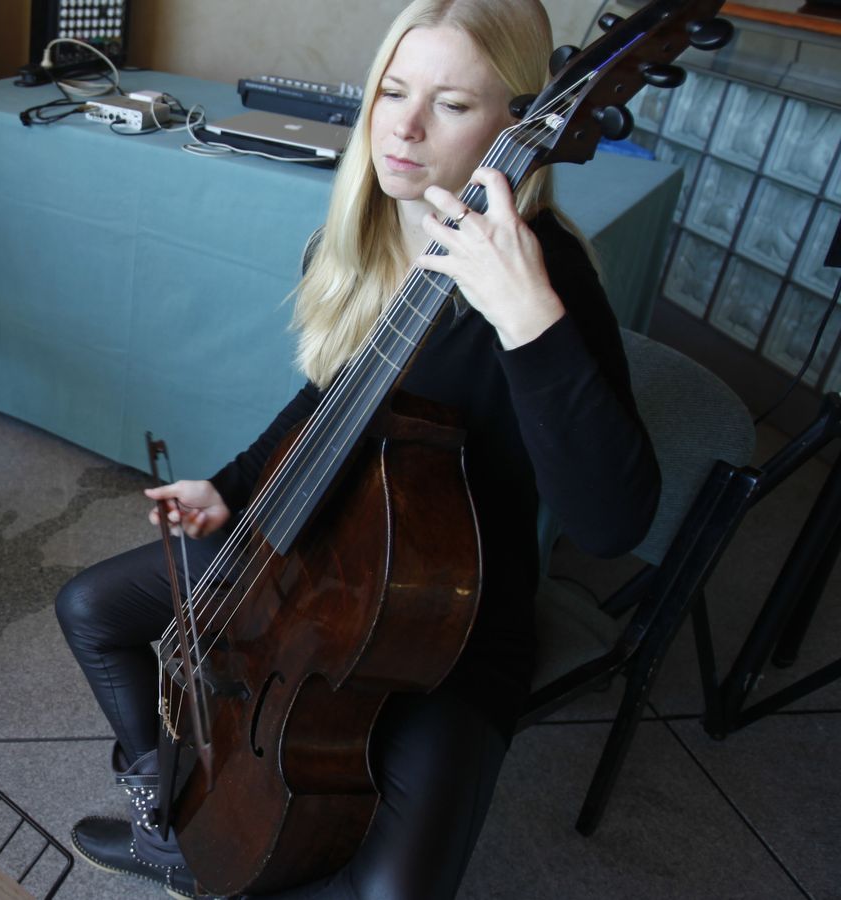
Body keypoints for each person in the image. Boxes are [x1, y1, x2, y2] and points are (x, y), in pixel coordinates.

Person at [53, 0, 662, 896]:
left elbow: (613, 521)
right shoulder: (369, 229)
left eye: (452, 105)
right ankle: (172, 818)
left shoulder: (543, 275)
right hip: (320, 538)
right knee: (93, 609)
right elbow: (326, 398)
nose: (404, 129)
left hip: (444, 614)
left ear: (515, 124)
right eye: (392, 90)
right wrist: (227, 488)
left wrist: (528, 318)